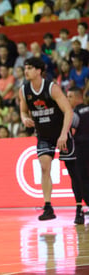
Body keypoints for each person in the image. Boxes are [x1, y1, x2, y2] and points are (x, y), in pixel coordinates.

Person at [19, 57, 75, 221]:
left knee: (74, 171)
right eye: (25, 68)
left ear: (38, 70)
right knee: (44, 168)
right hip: (43, 136)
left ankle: (80, 204)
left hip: (60, 133)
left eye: (29, 68)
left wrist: (64, 133)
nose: (26, 71)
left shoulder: (52, 88)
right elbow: (22, 111)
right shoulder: (24, 90)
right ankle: (48, 206)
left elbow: (68, 111)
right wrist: (23, 119)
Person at [67, 87, 89, 224]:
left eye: (69, 97)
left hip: (81, 149)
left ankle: (81, 208)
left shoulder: (74, 113)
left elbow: (71, 127)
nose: (67, 100)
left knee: (81, 180)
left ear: (77, 97)